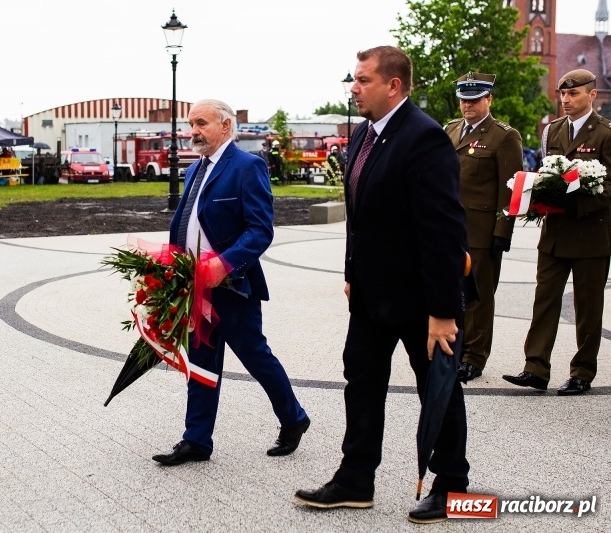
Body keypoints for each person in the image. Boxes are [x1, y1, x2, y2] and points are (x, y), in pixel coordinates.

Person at [294, 46, 471, 524]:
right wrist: (353, 274)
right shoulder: (364, 133)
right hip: (371, 295)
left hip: (419, 300)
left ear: (394, 85)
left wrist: (443, 311)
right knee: (362, 381)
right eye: (354, 79)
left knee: (437, 389)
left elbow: (443, 230)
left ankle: (452, 483)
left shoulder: (425, 138)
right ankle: (355, 479)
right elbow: (361, 217)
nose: (354, 88)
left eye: (363, 80)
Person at [152, 99, 310, 466]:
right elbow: (186, 224)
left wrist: (224, 264)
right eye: (191, 124)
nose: (193, 131)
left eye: (201, 123)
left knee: (256, 356)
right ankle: (196, 441)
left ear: (225, 126)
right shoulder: (194, 170)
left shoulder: (247, 166)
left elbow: (260, 230)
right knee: (202, 363)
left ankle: (294, 418)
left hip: (232, 287)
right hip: (195, 287)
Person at [502, 69, 611, 396]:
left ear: (591, 96)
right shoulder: (552, 131)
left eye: (574, 94)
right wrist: (539, 194)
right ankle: (535, 368)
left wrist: (577, 195)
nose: (565, 100)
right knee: (544, 301)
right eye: (562, 94)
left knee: (587, 307)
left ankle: (582, 372)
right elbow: (548, 172)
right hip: (554, 234)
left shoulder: (605, 133)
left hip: (591, 234)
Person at [444, 72, 523, 383]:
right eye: (464, 99)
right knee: (450, 291)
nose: (468, 105)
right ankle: (454, 347)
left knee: (479, 297)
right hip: (449, 228)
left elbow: (511, 190)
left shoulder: (504, 136)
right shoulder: (450, 129)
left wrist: (503, 232)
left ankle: (475, 357)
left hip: (481, 230)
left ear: (489, 100)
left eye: (474, 99)